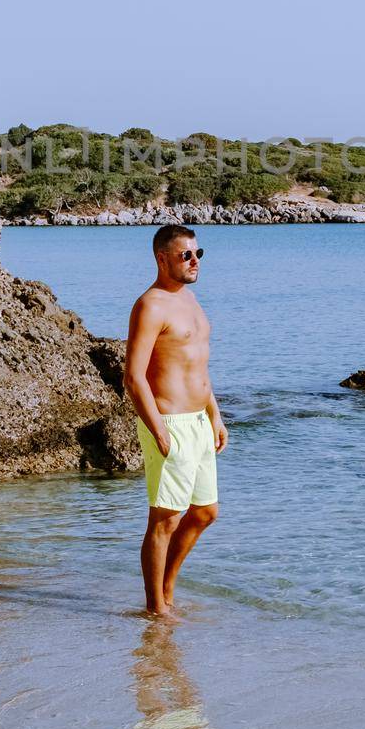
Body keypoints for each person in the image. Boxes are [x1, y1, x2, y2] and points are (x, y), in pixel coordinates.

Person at [124, 224, 228, 617]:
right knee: (165, 519)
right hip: (169, 422)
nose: (195, 261)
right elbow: (133, 377)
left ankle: (167, 587)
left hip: (200, 421)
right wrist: (158, 431)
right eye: (186, 255)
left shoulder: (191, 303)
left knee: (205, 512)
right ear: (162, 258)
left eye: (198, 254)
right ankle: (156, 608)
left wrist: (215, 415)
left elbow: (197, 367)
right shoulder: (151, 304)